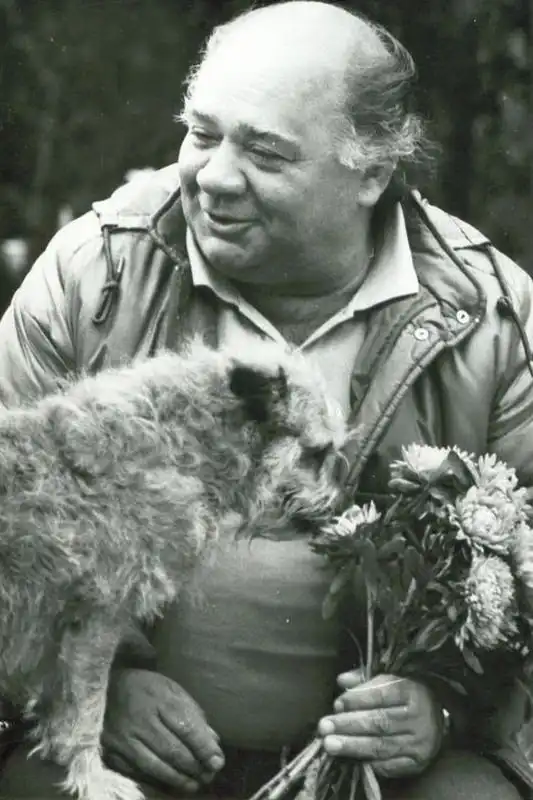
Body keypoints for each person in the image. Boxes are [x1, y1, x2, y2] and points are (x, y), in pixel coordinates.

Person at [0, 2, 532, 798]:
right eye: (201, 134)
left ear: (370, 173)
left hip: (391, 771)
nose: (214, 176)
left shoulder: (489, 313)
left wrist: (443, 706)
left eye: (264, 152)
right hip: (120, 749)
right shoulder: (96, 271)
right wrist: (95, 684)